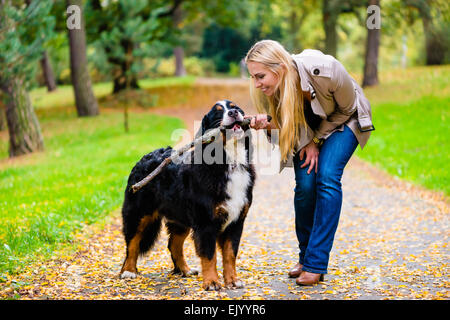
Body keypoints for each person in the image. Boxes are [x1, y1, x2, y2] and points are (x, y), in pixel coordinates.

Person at [244, 40, 374, 286]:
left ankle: (316, 263)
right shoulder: (271, 90)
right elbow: (285, 127)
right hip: (308, 130)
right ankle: (305, 257)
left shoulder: (326, 69)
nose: (257, 84)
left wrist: (314, 139)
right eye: (253, 77)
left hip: (347, 120)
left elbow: (346, 109)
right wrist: (267, 124)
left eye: (260, 76)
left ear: (279, 67)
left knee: (326, 176)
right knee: (305, 185)